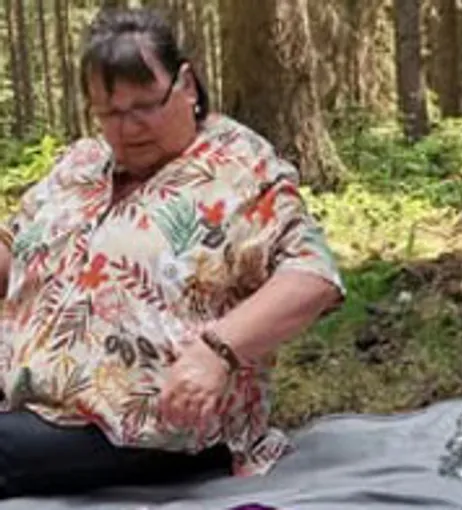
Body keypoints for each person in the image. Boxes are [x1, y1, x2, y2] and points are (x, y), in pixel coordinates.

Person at [0, 7, 344, 498]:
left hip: (152, 426)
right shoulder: (81, 163)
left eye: (145, 105)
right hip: (30, 407)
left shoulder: (236, 167)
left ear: (186, 84)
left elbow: (313, 276)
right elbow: (14, 249)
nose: (129, 127)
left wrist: (217, 350)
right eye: (110, 112)